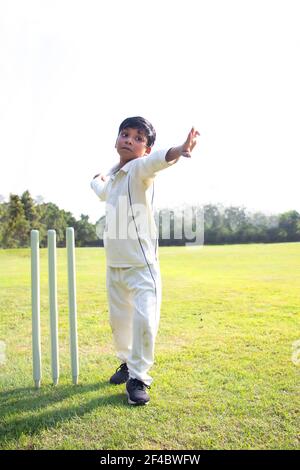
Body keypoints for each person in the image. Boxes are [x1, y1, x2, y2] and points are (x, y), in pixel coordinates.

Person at [91, 116, 200, 405]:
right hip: (114, 266)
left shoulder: (140, 169)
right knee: (120, 323)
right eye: (125, 134)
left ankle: (139, 378)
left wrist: (179, 148)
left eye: (139, 138)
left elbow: (160, 160)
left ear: (146, 149)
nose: (129, 139)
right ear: (116, 140)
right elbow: (100, 189)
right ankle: (127, 364)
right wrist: (96, 178)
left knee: (144, 321)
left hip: (141, 267)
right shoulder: (115, 178)